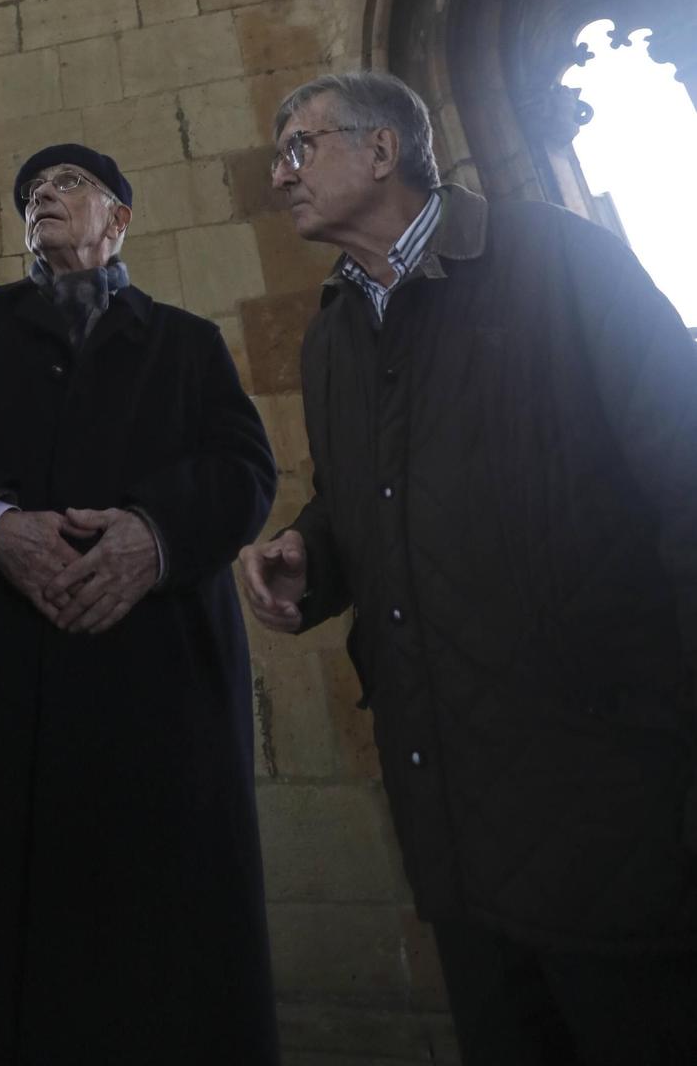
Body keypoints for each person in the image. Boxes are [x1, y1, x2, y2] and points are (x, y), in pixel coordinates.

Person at [239, 71, 697, 1066]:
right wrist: (307, 552)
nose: (279, 176)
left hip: (611, 796)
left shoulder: (558, 260)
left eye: (298, 147)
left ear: (380, 150)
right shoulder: (329, 337)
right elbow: (369, 491)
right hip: (450, 818)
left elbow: (683, 475)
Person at [0, 142, 281, 1066]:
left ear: (120, 218)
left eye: (69, 185)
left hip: (155, 682)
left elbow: (242, 469)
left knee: (159, 934)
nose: (44, 198)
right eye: (31, 192)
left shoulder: (184, 341)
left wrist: (153, 534)